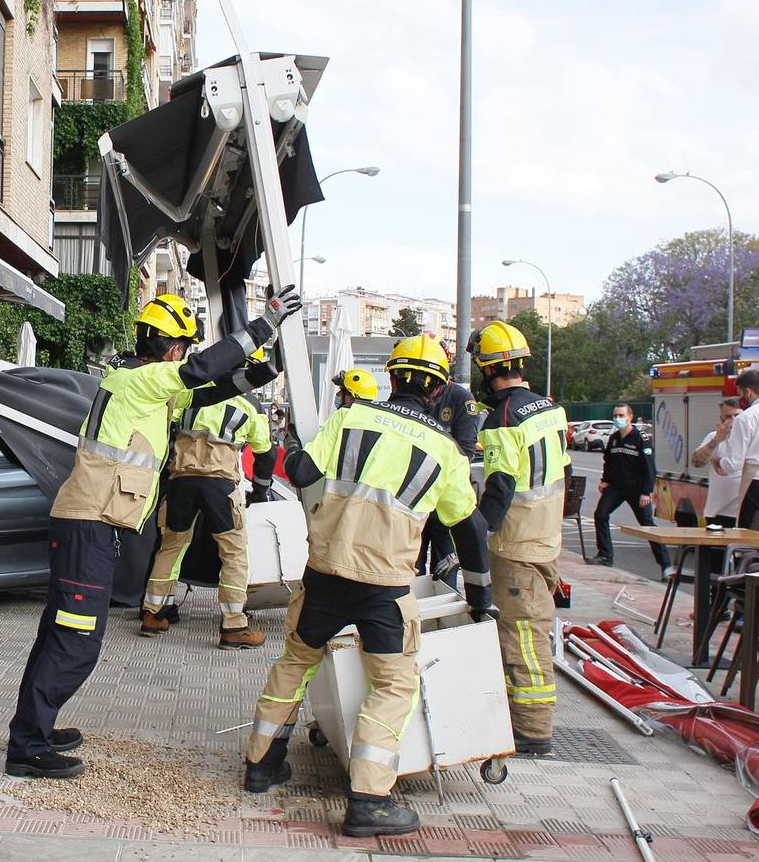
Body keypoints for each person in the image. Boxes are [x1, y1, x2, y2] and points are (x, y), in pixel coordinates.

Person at [5, 288, 301, 779]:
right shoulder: (141, 380)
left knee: (59, 635)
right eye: (183, 346)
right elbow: (199, 372)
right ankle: (28, 746)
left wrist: (263, 371)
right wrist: (263, 325)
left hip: (86, 524)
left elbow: (207, 391)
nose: (183, 355)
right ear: (171, 348)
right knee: (76, 641)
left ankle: (33, 729)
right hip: (88, 527)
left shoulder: (134, 383)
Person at [242, 334, 495, 839]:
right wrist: (480, 598)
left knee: (296, 662)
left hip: (324, 573)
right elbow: (468, 528)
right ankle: (368, 799)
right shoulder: (445, 451)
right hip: (384, 588)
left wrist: (293, 452)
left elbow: (301, 468)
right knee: (395, 684)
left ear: (394, 378)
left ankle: (262, 765)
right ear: (437, 392)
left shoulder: (349, 418)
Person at [469, 320, 570, 756]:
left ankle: (532, 728)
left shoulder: (502, 420)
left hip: (517, 546)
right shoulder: (550, 408)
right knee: (531, 628)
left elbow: (500, 489)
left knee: (525, 635)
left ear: (488, 370)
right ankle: (523, 716)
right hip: (546, 538)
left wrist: (473, 535)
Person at [139, 351, 278, 649]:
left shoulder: (191, 393)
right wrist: (262, 491)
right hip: (220, 485)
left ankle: (153, 613)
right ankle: (234, 626)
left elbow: (165, 425)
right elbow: (266, 452)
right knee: (234, 553)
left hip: (181, 481)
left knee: (171, 547)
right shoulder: (250, 404)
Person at [415, 334, 479, 587]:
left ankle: (442, 620)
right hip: (415, 498)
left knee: (445, 568)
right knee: (409, 566)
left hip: (446, 499)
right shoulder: (412, 396)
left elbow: (465, 450)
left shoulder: (461, 399)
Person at [588, 404, 672, 576]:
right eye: (616, 415)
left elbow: (649, 467)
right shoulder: (614, 438)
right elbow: (608, 462)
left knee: (647, 525)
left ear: (630, 417)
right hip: (617, 487)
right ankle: (605, 555)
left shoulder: (641, 438)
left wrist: (646, 491)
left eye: (621, 415)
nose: (618, 418)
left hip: (637, 489)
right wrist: (605, 481)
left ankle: (666, 566)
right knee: (600, 515)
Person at [709, 369, 759, 533]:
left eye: (741, 395)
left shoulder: (746, 418)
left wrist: (718, 461)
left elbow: (733, 463)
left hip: (758, 483)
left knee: (748, 540)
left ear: (748, 391)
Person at [691, 398, 744, 528]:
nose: (733, 420)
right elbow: (696, 462)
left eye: (737, 416)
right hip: (718, 512)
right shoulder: (714, 437)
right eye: (728, 417)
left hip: (743, 511)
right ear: (721, 419)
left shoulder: (752, 438)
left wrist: (717, 460)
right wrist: (716, 440)